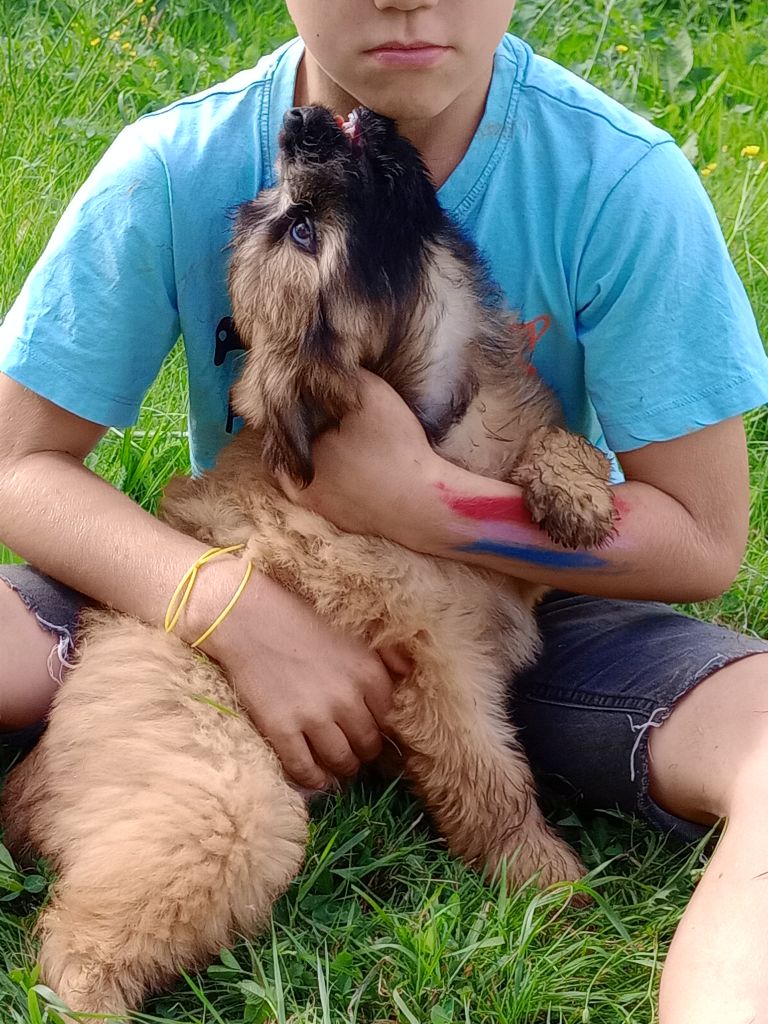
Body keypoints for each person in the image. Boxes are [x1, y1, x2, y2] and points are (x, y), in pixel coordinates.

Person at [0, 0, 766, 1018]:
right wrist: (232, 609)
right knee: (206, 818)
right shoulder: (174, 164)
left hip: (556, 607)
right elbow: (17, 464)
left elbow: (708, 541)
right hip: (202, 606)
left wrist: (435, 505)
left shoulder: (617, 181)